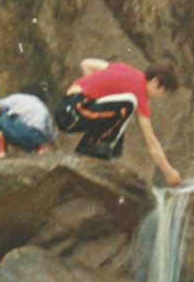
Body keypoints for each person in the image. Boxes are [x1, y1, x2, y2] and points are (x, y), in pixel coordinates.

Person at [58, 58, 182, 186]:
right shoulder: (139, 94)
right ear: (156, 82)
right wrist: (169, 172)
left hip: (68, 108)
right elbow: (150, 142)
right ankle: (95, 152)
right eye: (163, 92)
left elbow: (86, 64)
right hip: (72, 113)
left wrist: (95, 94)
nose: (160, 96)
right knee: (128, 104)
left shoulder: (127, 70)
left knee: (117, 119)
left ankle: (88, 151)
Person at [0, 85, 58, 158]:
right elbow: (51, 136)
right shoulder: (44, 109)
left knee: (2, 114)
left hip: (19, 132)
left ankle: (2, 151)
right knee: (38, 130)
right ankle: (39, 149)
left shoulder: (18, 97)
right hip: (34, 140)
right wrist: (56, 149)